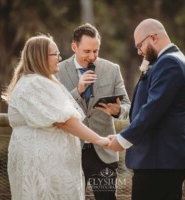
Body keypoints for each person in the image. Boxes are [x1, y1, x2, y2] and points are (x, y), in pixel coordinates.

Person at [2, 35, 110, 200]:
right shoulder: (35, 83)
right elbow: (64, 120)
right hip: (44, 166)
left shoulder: (35, 81)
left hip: (47, 164)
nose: (60, 58)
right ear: (41, 57)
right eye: (56, 54)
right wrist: (99, 140)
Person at [108, 18, 185, 200]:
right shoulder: (166, 61)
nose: (139, 51)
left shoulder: (169, 63)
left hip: (160, 162)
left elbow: (153, 109)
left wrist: (123, 139)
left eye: (139, 45)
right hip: (158, 161)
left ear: (153, 37)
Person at [55, 23, 130, 200]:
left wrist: (118, 110)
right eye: (87, 51)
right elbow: (56, 108)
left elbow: (127, 105)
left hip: (104, 152)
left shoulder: (112, 70)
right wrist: (78, 91)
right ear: (74, 47)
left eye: (96, 51)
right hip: (70, 151)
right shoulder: (58, 72)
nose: (92, 56)